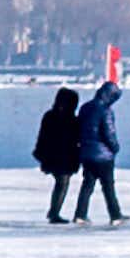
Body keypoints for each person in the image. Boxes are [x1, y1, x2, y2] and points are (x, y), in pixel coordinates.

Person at [75, 78, 125, 224]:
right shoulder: (106, 111)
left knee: (87, 185)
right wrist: (115, 147)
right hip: (103, 156)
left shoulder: (85, 108)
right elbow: (109, 133)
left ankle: (80, 214)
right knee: (108, 187)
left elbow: (79, 128)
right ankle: (115, 215)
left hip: (86, 153)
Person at [32, 85, 83, 223]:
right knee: (62, 184)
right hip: (63, 157)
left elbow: (42, 137)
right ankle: (54, 213)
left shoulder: (50, 115)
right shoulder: (70, 119)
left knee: (61, 183)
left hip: (53, 156)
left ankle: (54, 211)